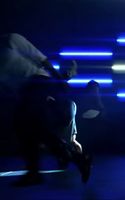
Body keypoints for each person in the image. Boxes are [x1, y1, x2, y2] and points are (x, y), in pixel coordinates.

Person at [0, 33, 91, 186]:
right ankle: (77, 158)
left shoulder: (10, 40)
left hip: (38, 82)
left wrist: (59, 80)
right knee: (32, 129)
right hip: (25, 91)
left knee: (25, 125)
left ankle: (37, 172)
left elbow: (41, 59)